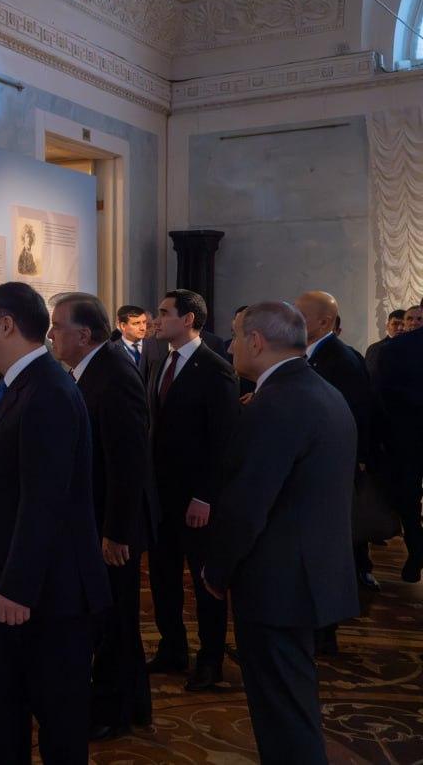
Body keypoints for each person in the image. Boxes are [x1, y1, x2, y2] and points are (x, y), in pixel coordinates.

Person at [203, 302, 360, 765]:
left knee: (282, 714)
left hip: (278, 581)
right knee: (291, 701)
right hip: (308, 572)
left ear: (256, 341)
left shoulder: (275, 403)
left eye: (236, 336)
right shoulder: (320, 390)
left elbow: (247, 504)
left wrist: (217, 570)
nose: (230, 346)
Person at [0, 282, 110, 764]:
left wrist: (17, 586)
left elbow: (44, 500)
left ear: (7, 325)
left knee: (57, 724)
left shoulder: (46, 390)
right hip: (24, 592)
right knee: (5, 711)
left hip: (45, 596)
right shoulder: (22, 384)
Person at [49, 293, 156, 741]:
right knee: (112, 619)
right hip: (100, 522)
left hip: (113, 529)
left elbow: (128, 461)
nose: (51, 334)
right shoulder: (92, 369)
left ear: (84, 334)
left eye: (58, 326)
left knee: (114, 620)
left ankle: (114, 711)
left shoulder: (113, 374)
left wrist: (116, 532)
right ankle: (131, 704)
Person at [146, 289, 239, 692]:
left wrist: (205, 496)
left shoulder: (215, 369)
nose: (156, 318)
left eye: (164, 312)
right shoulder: (159, 361)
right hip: (161, 496)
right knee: (163, 577)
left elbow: (223, 441)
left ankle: (210, 660)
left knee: (204, 583)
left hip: (197, 499)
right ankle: (173, 648)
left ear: (187, 319)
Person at [295, 291, 379, 617]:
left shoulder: (341, 360)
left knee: (331, 546)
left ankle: (328, 619)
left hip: (330, 470)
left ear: (324, 322)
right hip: (314, 467)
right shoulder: (312, 354)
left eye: (301, 317)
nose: (294, 322)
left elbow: (355, 416)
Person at [374, 300, 423, 583]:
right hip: (406, 438)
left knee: (408, 500)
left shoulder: (395, 348)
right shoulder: (393, 348)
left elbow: (382, 398)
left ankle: (416, 551)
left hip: (406, 439)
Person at [365, 309, 406, 379]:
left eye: (403, 324)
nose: (400, 328)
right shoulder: (374, 348)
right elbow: (370, 374)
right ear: (387, 326)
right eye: (395, 324)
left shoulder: (415, 348)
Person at [112, 304, 147, 369]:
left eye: (144, 322)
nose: (143, 328)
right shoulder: (111, 350)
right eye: (136, 323)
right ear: (123, 326)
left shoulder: (154, 347)